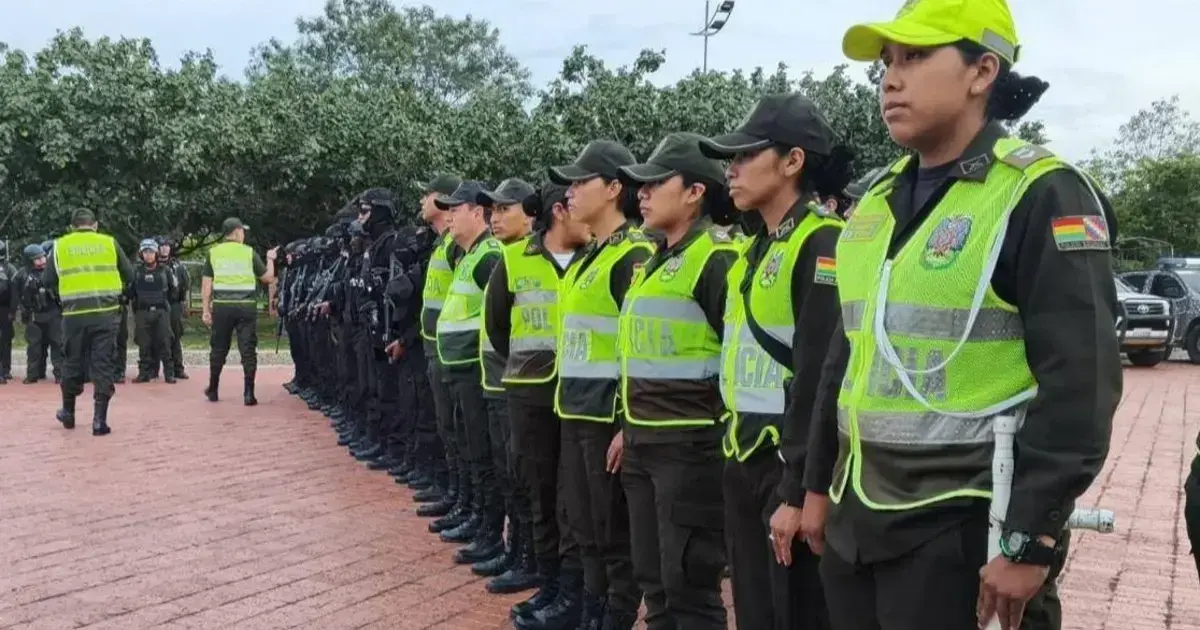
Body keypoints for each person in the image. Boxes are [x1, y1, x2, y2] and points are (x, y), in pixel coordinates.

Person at [800, 2, 1122, 629]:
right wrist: (816, 486)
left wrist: (1031, 539)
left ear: (982, 71)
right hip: (857, 521)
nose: (890, 79)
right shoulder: (875, 201)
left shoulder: (1039, 192)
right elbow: (844, 358)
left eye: (915, 57)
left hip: (966, 529)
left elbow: (1081, 383)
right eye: (887, 63)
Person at [698, 93, 851, 630]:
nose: (731, 170)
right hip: (743, 452)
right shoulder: (754, 249)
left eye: (746, 155)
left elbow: (818, 376)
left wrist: (798, 491)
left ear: (792, 162)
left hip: (785, 464)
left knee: (794, 610)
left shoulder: (821, 241)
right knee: (757, 609)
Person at [613, 132, 738, 630]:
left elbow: (735, 357)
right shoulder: (656, 261)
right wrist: (627, 428)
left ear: (694, 192)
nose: (640, 193)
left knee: (689, 584)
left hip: (690, 450)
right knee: (655, 580)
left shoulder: (715, 260)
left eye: (654, 182)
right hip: (643, 442)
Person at [540, 140, 651, 630]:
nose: (571, 192)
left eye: (581, 181)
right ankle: (589, 607)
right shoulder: (591, 258)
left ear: (613, 189)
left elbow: (640, 348)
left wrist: (628, 424)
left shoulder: (633, 256)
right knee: (582, 522)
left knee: (613, 529)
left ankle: (616, 614)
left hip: (608, 415)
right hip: (576, 410)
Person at [484, 183, 591, 614]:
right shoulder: (513, 260)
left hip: (583, 396)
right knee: (539, 493)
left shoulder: (596, 258)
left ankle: (574, 590)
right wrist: (529, 370)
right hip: (531, 396)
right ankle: (549, 585)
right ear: (561, 212)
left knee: (575, 499)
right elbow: (497, 328)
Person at [433, 180, 506, 560]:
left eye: (455, 208)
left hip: (476, 371)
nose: (448, 215)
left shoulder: (488, 256)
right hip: (457, 368)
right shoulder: (466, 255)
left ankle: (489, 530)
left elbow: (499, 318)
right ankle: (475, 515)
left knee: (481, 451)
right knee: (466, 444)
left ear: (478, 212)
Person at [471, 178, 536, 582]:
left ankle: (528, 558)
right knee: (506, 474)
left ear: (530, 214)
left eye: (504, 209)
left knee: (523, 478)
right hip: (496, 382)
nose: (495, 218)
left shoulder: (529, 258)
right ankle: (515, 551)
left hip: (522, 388)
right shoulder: (508, 257)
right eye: (492, 211)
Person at [42, 209, 135, 435]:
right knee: (102, 363)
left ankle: (68, 412)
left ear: (73, 227)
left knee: (72, 361)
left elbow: (47, 280)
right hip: (106, 314)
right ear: (95, 225)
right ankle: (99, 421)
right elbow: (130, 275)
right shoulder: (109, 243)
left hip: (74, 316)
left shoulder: (60, 245)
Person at [409, 173, 464, 524]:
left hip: (455, 353)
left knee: (457, 429)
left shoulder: (459, 246)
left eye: (426, 195)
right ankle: (454, 492)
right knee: (445, 426)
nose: (421, 202)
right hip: (435, 347)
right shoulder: (441, 243)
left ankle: (463, 500)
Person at [201, 217, 277, 405]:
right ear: (236, 232)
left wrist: (205, 310)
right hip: (246, 307)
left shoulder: (213, 253)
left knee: (218, 348)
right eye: (242, 231)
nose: (244, 234)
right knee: (248, 349)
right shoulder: (248, 252)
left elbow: (206, 284)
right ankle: (249, 393)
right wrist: (270, 259)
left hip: (222, 307)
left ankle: (213, 389)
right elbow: (267, 278)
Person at [14, 244, 64, 384]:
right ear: (30, 261)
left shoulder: (53, 272)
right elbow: (16, 295)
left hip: (53, 313)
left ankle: (60, 374)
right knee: (34, 347)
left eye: (43, 257)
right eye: (37, 259)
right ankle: (33, 374)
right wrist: (22, 309)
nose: (42, 260)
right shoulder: (22, 275)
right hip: (33, 315)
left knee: (58, 344)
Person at [131, 238, 177, 383]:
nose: (148, 255)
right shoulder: (136, 271)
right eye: (145, 252)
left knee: (164, 342)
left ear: (156, 253)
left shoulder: (165, 270)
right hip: (142, 311)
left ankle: (169, 373)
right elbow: (131, 291)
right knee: (144, 344)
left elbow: (173, 290)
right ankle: (144, 372)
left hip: (161, 311)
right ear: (141, 254)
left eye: (151, 252)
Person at [159, 238, 190, 380]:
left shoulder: (177, 265)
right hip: (157, 305)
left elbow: (184, 284)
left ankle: (178, 368)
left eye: (166, 246)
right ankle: (151, 369)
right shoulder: (152, 265)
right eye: (161, 246)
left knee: (175, 337)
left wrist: (183, 302)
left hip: (174, 304)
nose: (164, 249)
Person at [0, 239, 16, 384]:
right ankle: (4, 370)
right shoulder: (10, 268)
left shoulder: (9, 268)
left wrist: (13, 310)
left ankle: (5, 370)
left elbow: (14, 290)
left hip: (5, 309)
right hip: (6, 309)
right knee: (5, 340)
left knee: (6, 339)